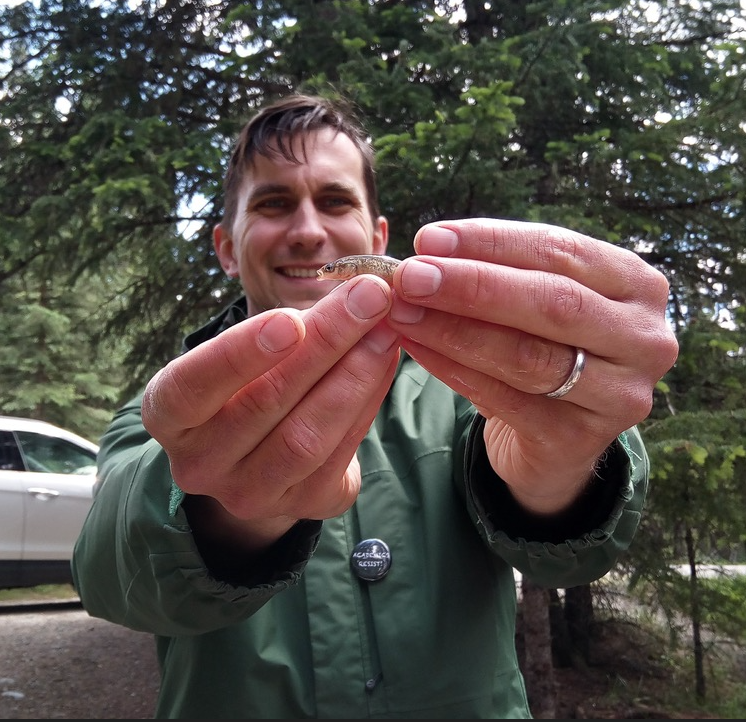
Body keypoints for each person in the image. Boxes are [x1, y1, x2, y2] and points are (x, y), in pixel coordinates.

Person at [72, 93, 678, 719]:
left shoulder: (466, 383)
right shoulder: (163, 413)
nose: (308, 232)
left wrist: (562, 461)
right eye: (274, 203)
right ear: (227, 248)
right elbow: (109, 574)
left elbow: (577, 553)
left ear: (377, 235)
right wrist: (217, 510)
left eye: (335, 201)